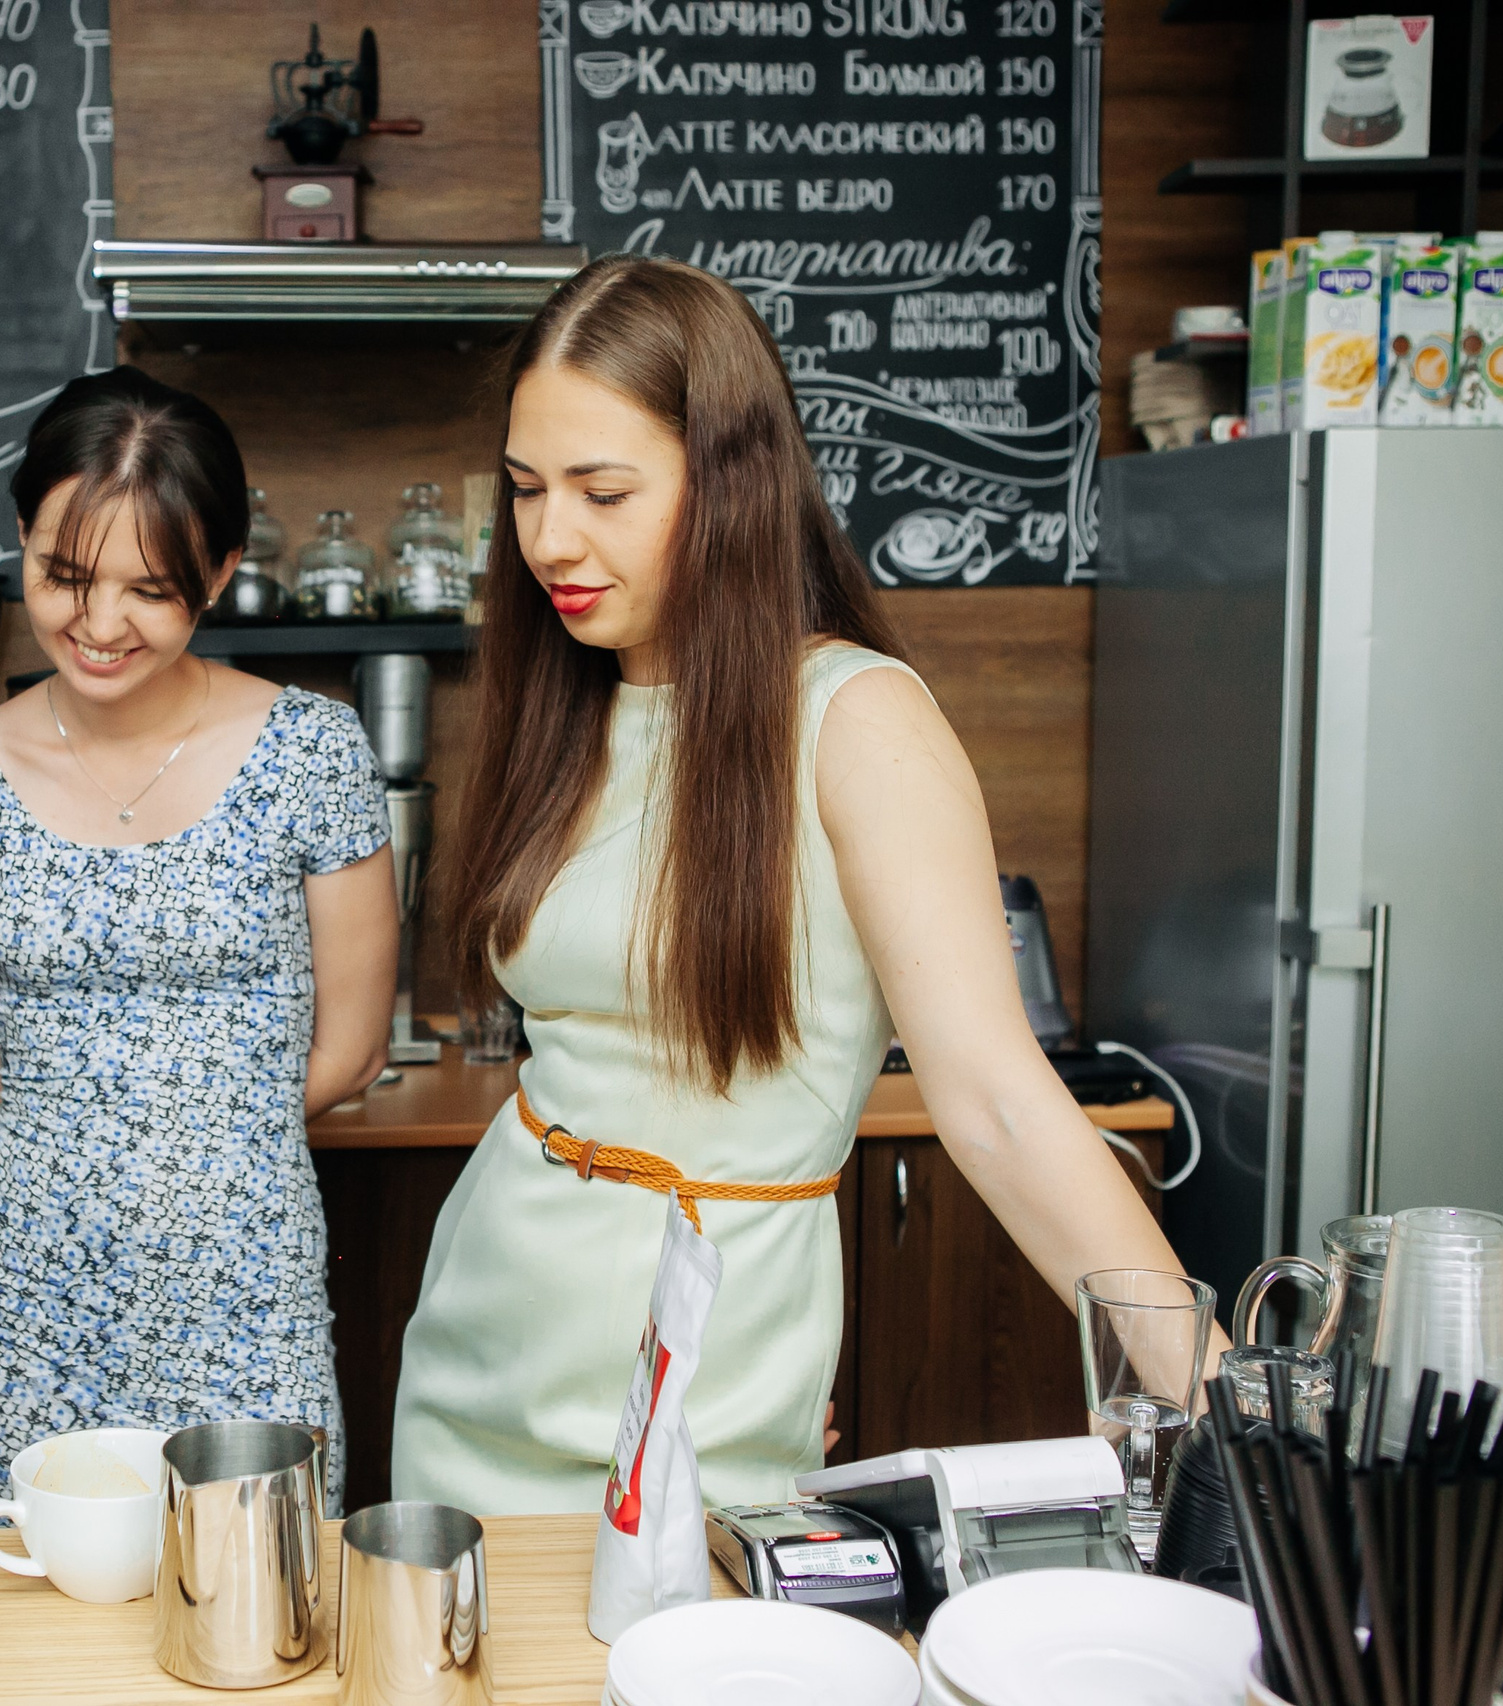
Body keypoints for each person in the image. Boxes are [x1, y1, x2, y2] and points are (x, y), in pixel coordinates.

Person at [389, 256, 1218, 1513]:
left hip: (705, 1377)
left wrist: (1219, 1396)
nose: (551, 538)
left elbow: (997, 1103)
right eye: (524, 489)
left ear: (731, 481)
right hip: (477, 1354)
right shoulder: (566, 702)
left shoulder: (853, 721)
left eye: (604, 491)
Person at [0, 368, 396, 1511]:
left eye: (149, 588)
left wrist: (190, 1144)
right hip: (22, 1301)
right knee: (29, 1653)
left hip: (247, 1294)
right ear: (21, 534)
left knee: (251, 1624)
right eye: (63, 576)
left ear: (218, 571)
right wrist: (102, 1152)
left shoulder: (313, 751)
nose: (99, 623)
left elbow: (355, 1047)